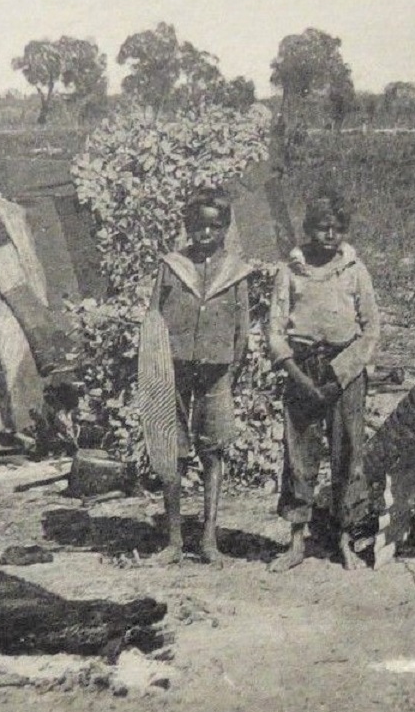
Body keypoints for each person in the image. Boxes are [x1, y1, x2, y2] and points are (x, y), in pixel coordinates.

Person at [267, 191, 380, 572]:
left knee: (348, 453)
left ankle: (344, 539)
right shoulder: (290, 271)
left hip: (344, 371)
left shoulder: (354, 270)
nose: (328, 235)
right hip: (301, 371)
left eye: (336, 228)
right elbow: (275, 331)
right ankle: (297, 541)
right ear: (309, 229)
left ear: (344, 231)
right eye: (321, 227)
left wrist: (340, 375)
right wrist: (296, 375)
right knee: (299, 454)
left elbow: (371, 329)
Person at [141, 188, 252, 565]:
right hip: (172, 369)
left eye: (214, 227)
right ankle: (173, 540)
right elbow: (154, 318)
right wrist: (154, 368)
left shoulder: (235, 271)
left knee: (213, 449)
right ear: (188, 227)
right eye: (199, 226)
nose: (206, 234)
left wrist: (232, 371)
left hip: (216, 371)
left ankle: (209, 538)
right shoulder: (172, 265)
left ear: (224, 229)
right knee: (171, 448)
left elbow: (243, 328)